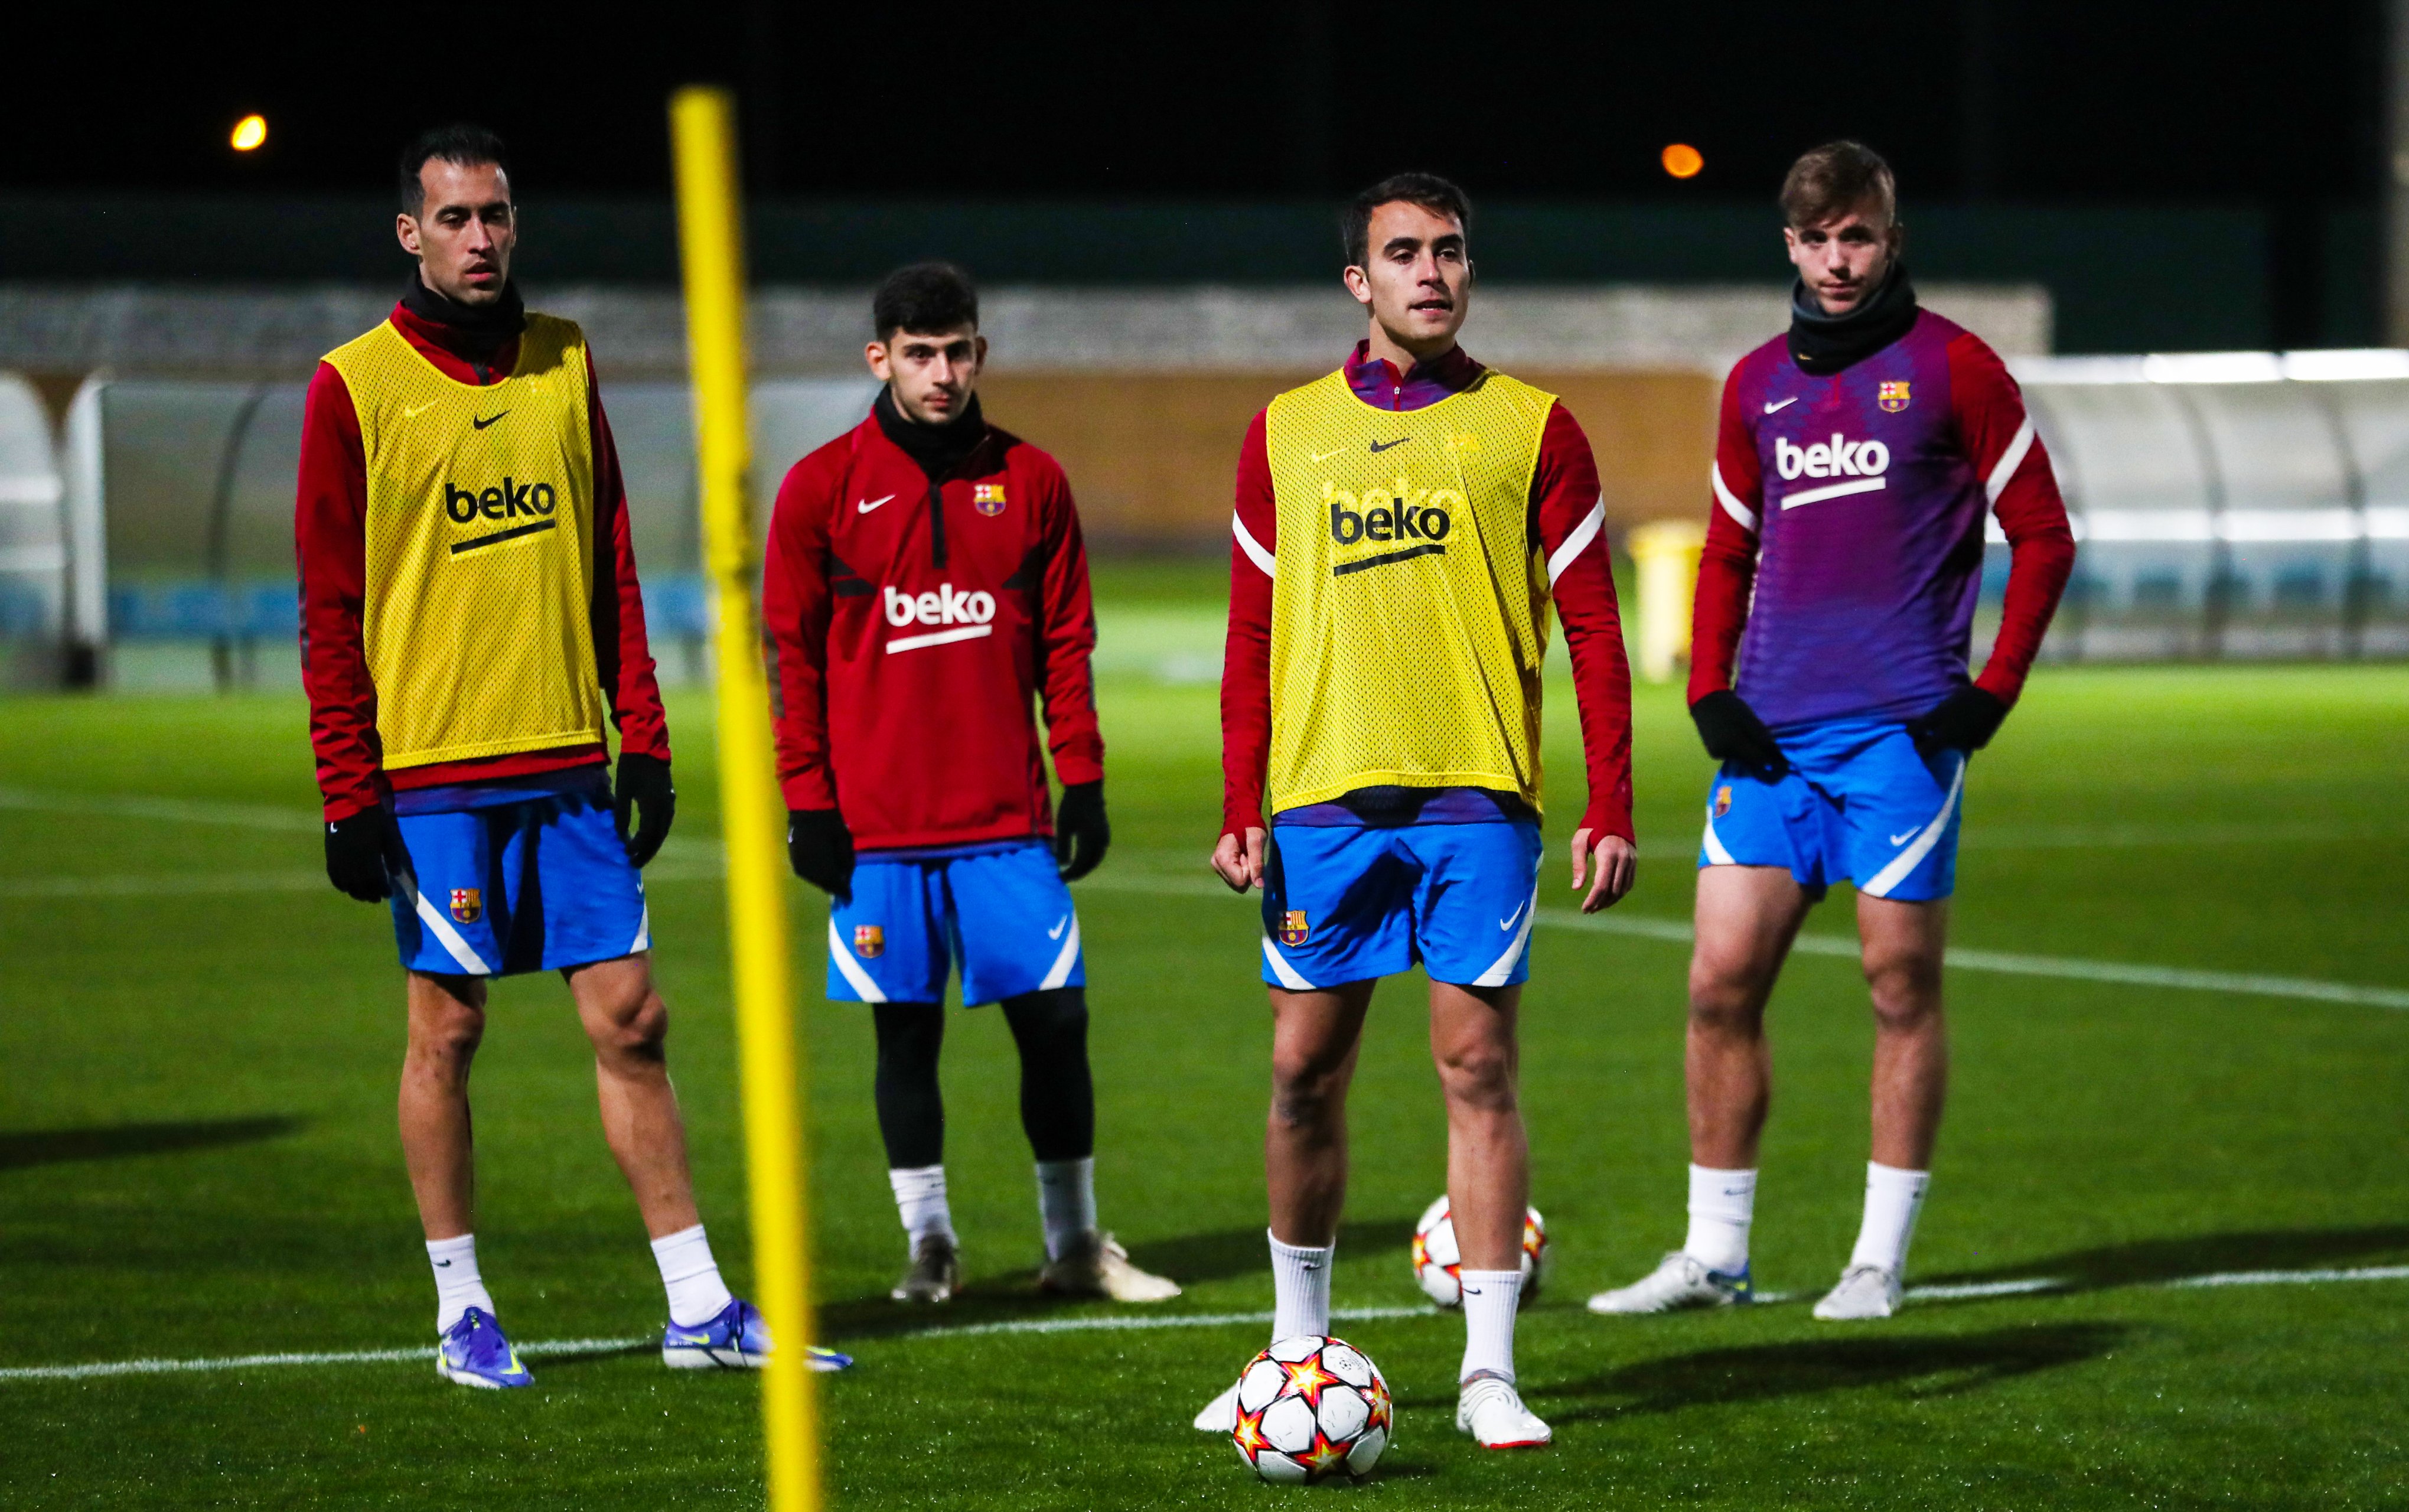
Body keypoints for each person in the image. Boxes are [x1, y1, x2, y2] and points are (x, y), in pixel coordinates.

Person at [296, 124, 846, 1387]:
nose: (479, 239)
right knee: (447, 1029)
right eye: (453, 219)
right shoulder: (353, 386)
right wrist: (347, 789)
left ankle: (699, 1304)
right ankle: (460, 1308)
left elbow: (608, 555)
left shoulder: (564, 358)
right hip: (433, 773)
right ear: (409, 233)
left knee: (633, 1017)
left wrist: (640, 737)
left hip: (567, 765)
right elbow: (330, 604)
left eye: (495, 216)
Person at [1588, 141, 2074, 1323]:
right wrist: (1709, 688)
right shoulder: (1755, 380)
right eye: (1815, 239)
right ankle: (1713, 1254)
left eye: (1855, 235)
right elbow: (1727, 549)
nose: (1835, 258)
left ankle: (1875, 1258)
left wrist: (1988, 691)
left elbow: (2044, 536)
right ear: (1788, 246)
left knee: (1897, 984)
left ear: (1887, 238)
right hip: (1771, 738)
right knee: (1715, 984)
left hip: (1900, 740)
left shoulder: (1956, 367)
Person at [1198, 174, 1637, 1449]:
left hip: (1475, 797)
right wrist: (1241, 794)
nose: (1430, 273)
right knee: (1300, 1073)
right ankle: (1291, 1355)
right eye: (1402, 254)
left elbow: (1596, 628)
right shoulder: (1283, 429)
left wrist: (1608, 796)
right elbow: (1248, 627)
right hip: (1321, 803)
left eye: (1448, 251)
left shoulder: (1531, 426)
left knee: (1477, 1066)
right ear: (1359, 281)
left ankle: (1489, 1370)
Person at [763, 262, 1179, 1307]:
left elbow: (1068, 645)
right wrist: (807, 802)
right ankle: (932, 1245)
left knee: (1056, 1025)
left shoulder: (1032, 480)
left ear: (980, 352)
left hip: (1007, 826)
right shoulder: (820, 487)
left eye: (956, 352)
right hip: (879, 831)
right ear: (882, 358)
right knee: (905, 1033)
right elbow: (792, 659)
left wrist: (1080, 779)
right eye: (919, 355)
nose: (941, 373)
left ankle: (1075, 1243)